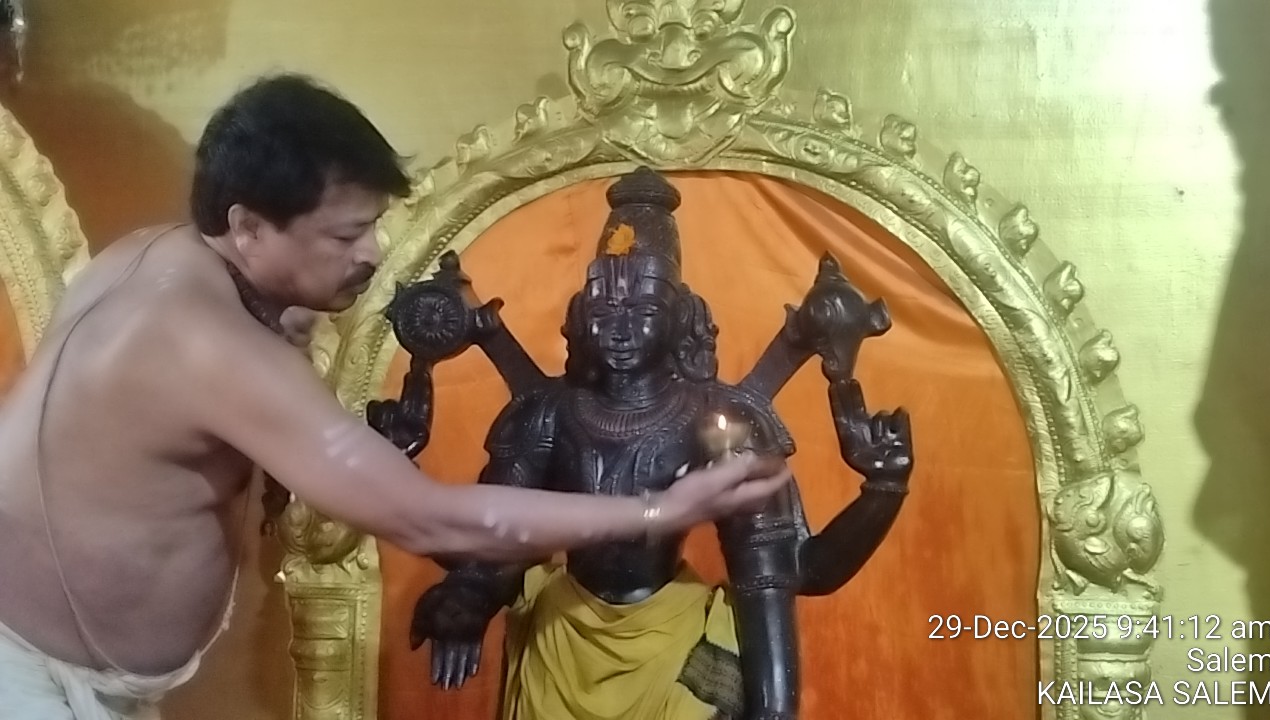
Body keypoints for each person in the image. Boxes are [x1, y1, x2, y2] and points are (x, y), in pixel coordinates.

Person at [0, 73, 792, 720]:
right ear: (249, 227)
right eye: (346, 235)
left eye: (373, 226)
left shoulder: (153, 256)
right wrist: (660, 511)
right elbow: (430, 518)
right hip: (27, 676)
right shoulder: (212, 345)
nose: (374, 253)